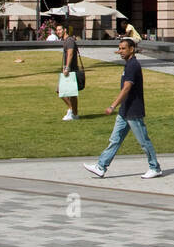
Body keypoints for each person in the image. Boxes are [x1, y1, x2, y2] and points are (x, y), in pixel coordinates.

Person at [83, 38, 162, 179]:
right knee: (115, 140)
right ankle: (101, 167)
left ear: (132, 49)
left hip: (133, 111)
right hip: (124, 110)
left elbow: (126, 88)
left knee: (144, 141)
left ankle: (154, 167)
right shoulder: (128, 65)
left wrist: (112, 105)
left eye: (123, 48)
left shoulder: (133, 65)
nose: (120, 51)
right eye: (119, 48)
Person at [56, 22, 81, 121]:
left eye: (60, 30)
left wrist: (67, 68)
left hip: (71, 70)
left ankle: (72, 112)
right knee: (69, 93)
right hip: (69, 69)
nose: (58, 32)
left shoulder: (69, 40)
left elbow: (70, 54)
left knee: (63, 91)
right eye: (57, 30)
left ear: (65, 30)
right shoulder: (66, 40)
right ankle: (74, 112)